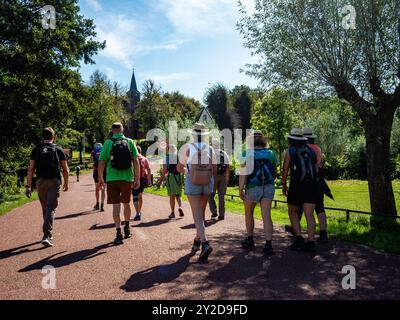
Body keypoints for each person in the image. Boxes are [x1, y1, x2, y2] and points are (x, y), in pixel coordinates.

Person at [177, 123, 217, 261]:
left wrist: (188, 168)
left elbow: (179, 168)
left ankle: (205, 242)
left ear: (193, 135)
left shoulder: (187, 148)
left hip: (193, 181)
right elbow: (215, 169)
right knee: (201, 214)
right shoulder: (210, 148)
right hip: (207, 182)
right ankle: (197, 241)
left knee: (197, 215)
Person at [25, 127, 69, 247]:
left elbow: (30, 169)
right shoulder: (58, 149)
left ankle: (48, 233)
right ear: (53, 137)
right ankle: (46, 235)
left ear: (42, 137)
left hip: (40, 182)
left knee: (46, 207)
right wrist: (66, 182)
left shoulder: (36, 150)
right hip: (54, 181)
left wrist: (28, 186)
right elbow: (65, 169)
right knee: (51, 207)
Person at [284, 128, 329, 243]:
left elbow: (286, 168)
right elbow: (317, 167)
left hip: (296, 184)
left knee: (293, 212)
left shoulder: (290, 150)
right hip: (313, 184)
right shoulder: (313, 150)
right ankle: (311, 241)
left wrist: (284, 183)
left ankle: (298, 237)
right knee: (311, 214)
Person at [98, 123, 140, 245]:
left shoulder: (108, 143)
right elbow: (136, 160)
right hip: (127, 178)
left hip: (112, 178)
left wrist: (101, 178)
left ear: (112, 130)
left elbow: (101, 162)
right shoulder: (130, 141)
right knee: (126, 203)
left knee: (116, 207)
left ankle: (118, 233)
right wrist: (137, 178)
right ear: (122, 130)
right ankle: (127, 228)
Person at [239, 131, 277, 254]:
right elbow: (274, 172)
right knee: (266, 215)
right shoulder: (271, 153)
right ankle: (268, 244)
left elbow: (243, 174)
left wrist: (241, 189)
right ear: (262, 140)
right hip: (268, 187)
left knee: (249, 213)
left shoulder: (246, 153)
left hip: (253, 187)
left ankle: (250, 240)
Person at [158, 144, 184, 219]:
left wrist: (161, 180)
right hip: (178, 177)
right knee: (178, 195)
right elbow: (183, 168)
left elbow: (164, 170)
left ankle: (172, 212)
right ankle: (180, 206)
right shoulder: (179, 157)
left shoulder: (166, 158)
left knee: (172, 196)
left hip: (171, 177)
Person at [209, 139, 230, 221]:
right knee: (221, 196)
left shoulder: (210, 153)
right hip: (223, 176)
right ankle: (222, 214)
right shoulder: (223, 153)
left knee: (211, 195)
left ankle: (214, 212)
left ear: (212, 145)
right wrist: (227, 177)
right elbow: (228, 166)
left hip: (213, 176)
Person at [132, 145, 152, 221]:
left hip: (134, 179)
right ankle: (139, 210)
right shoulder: (144, 159)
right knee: (140, 194)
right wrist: (149, 180)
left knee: (135, 196)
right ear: (140, 151)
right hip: (142, 179)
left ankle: (138, 212)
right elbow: (149, 169)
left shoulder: (133, 159)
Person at [91, 143, 106, 212]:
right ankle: (102, 205)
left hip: (96, 171)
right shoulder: (104, 150)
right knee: (103, 188)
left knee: (97, 188)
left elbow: (91, 160)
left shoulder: (93, 151)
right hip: (104, 171)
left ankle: (97, 203)